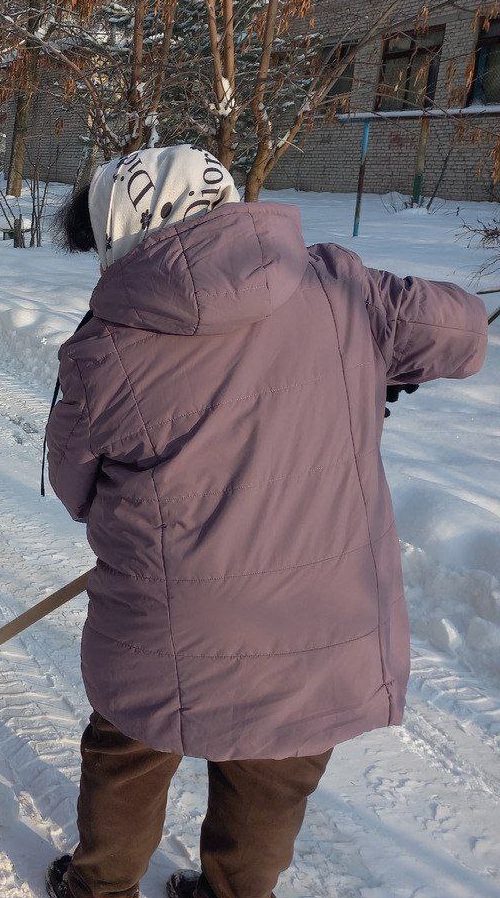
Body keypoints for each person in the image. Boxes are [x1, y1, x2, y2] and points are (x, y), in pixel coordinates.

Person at [43, 144, 487, 898]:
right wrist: (379, 357)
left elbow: (76, 485)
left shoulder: (102, 349)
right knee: (274, 773)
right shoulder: (344, 287)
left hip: (169, 624)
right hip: (324, 619)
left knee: (129, 752)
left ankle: (101, 887)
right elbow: (465, 332)